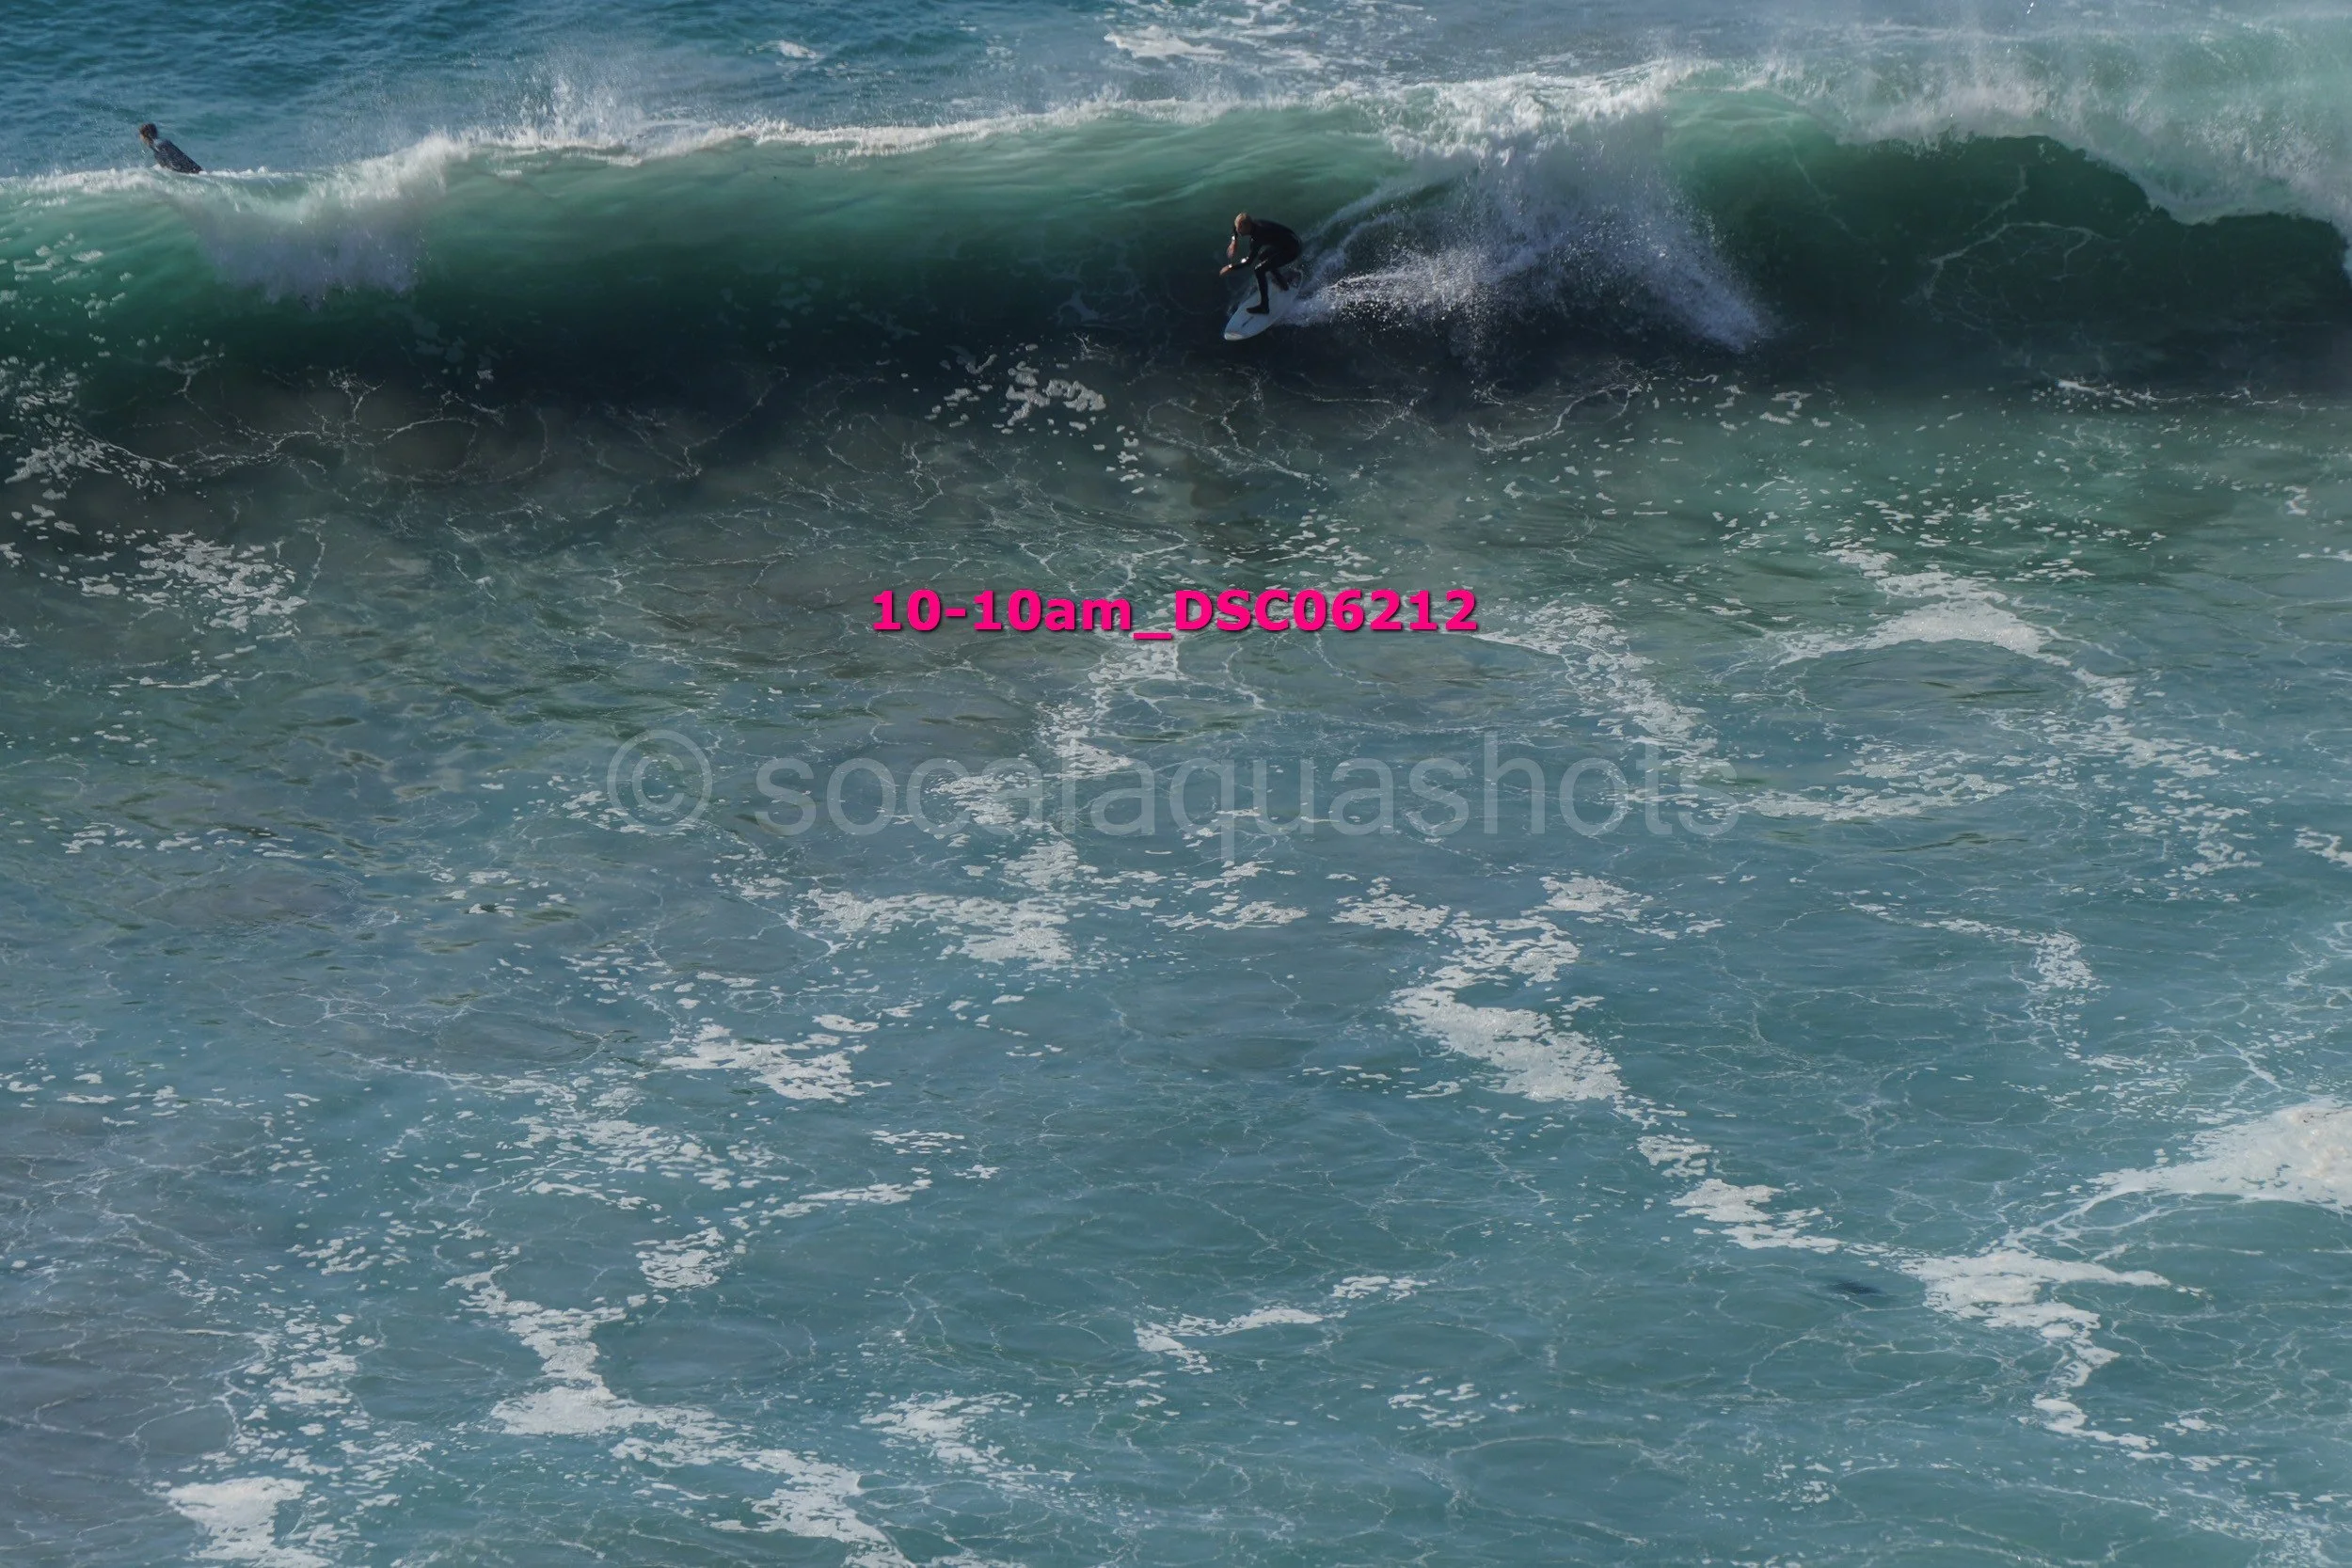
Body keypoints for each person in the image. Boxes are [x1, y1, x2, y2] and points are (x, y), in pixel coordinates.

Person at [1219, 213, 1302, 315]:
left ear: (1247, 226)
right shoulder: (1253, 223)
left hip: (1292, 250)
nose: (1238, 230)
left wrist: (1230, 267)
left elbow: (1249, 262)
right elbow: (1235, 224)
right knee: (1263, 257)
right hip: (1288, 242)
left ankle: (1264, 307)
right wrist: (1234, 240)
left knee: (1259, 270)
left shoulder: (1258, 237)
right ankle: (1283, 283)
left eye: (1240, 228)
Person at [138, 124, 202, 175]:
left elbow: (173, 163)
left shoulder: (158, 146)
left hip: (191, 171)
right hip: (194, 169)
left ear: (144, 135)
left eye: (140, 135)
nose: (140, 137)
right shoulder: (160, 143)